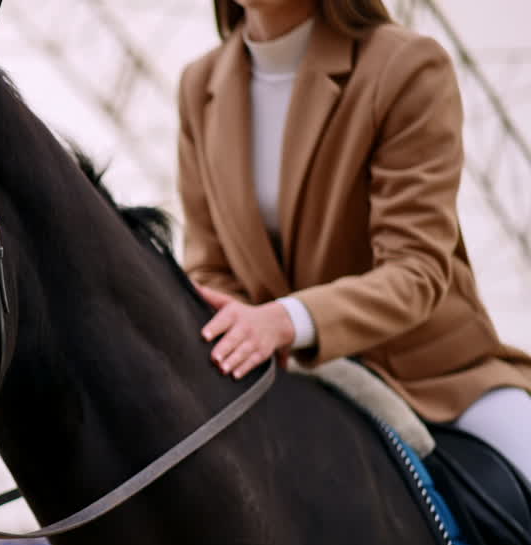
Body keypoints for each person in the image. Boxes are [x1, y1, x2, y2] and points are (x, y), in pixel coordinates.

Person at [176, 0, 531, 480]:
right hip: (288, 381)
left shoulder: (405, 66)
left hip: (436, 380)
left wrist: (286, 321)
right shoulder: (199, 87)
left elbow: (416, 270)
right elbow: (209, 269)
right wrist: (248, 332)